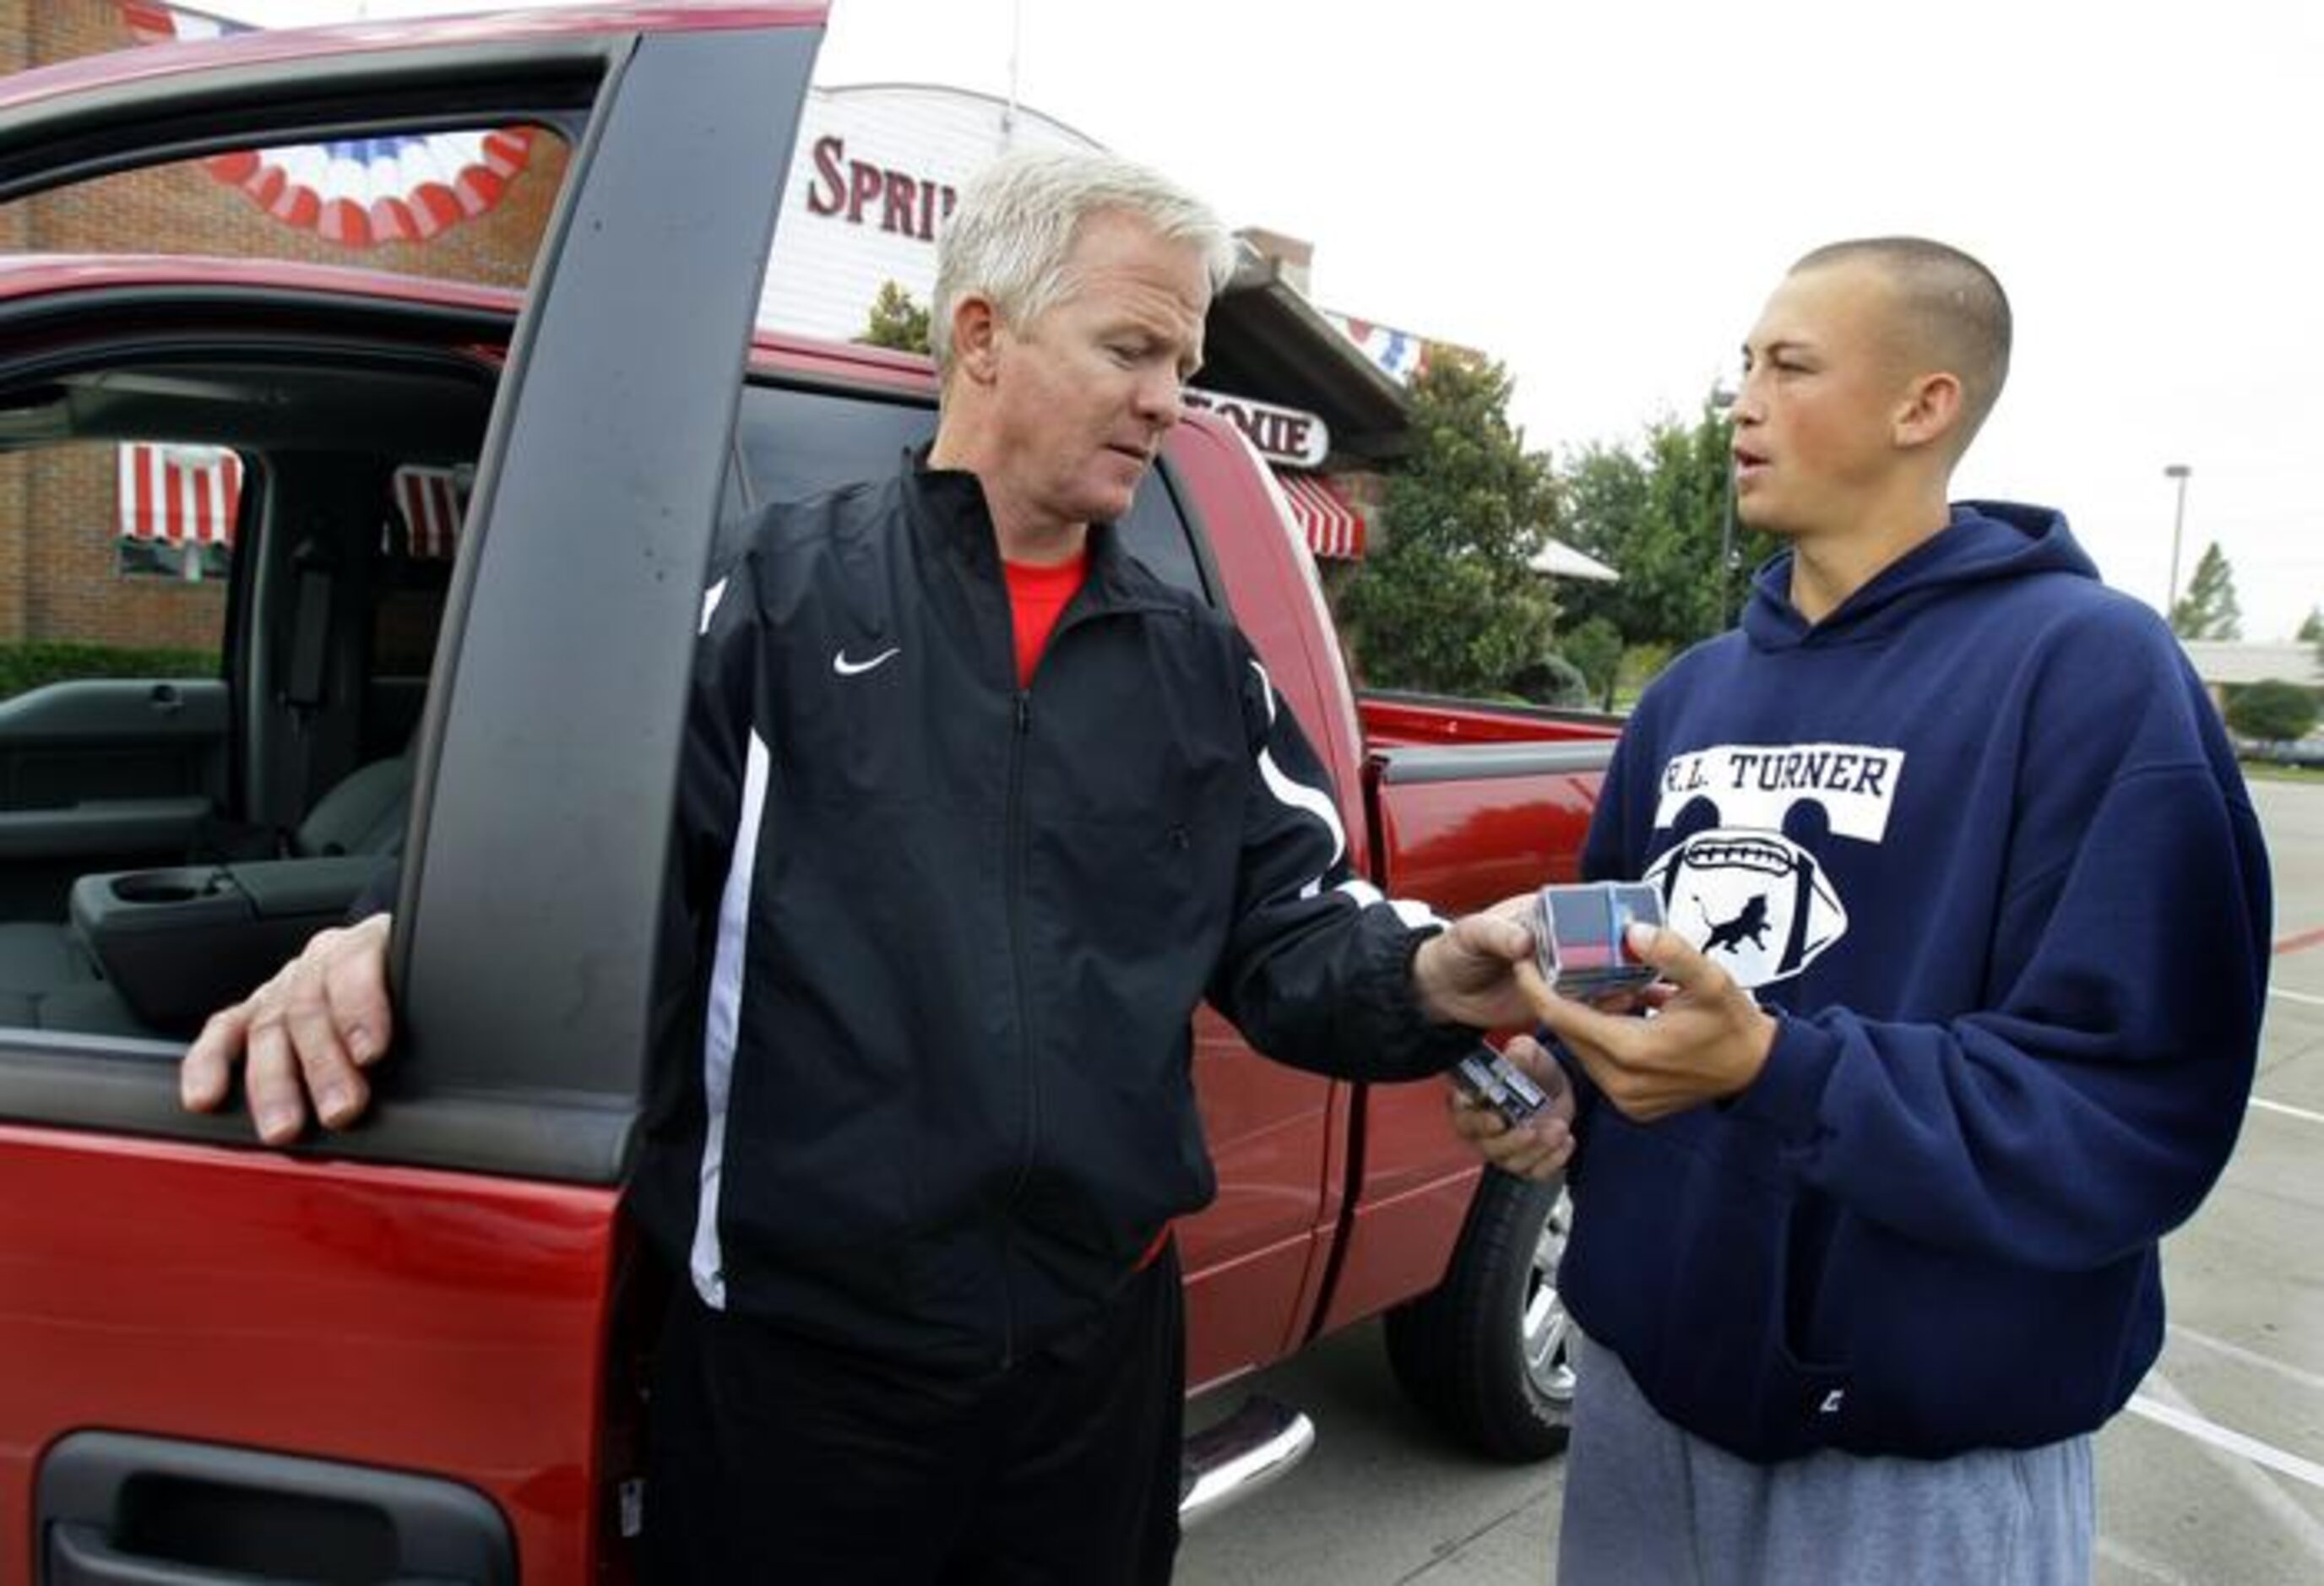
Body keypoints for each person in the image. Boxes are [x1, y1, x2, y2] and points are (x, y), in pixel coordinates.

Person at [182, 149, 1551, 1583]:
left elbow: (1296, 927)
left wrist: (1432, 971)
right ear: (980, 335)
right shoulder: (769, 602)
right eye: (1132, 349)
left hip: (1098, 1360)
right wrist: (391, 923)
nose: (1170, 399)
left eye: (1185, 365)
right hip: (808, 1377)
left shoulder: (1198, 671)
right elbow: (571, 837)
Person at [1458, 237, 2269, 1583]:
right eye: (1743, 367)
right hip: (1638, 1402)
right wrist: (1549, 1084)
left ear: (1923, 405)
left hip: (1914, 1464)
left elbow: (2129, 1108)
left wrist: (1783, 1068)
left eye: (1790, 365)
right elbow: (1621, 997)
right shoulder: (1690, 697)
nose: (1743, 403)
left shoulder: (2091, 672)